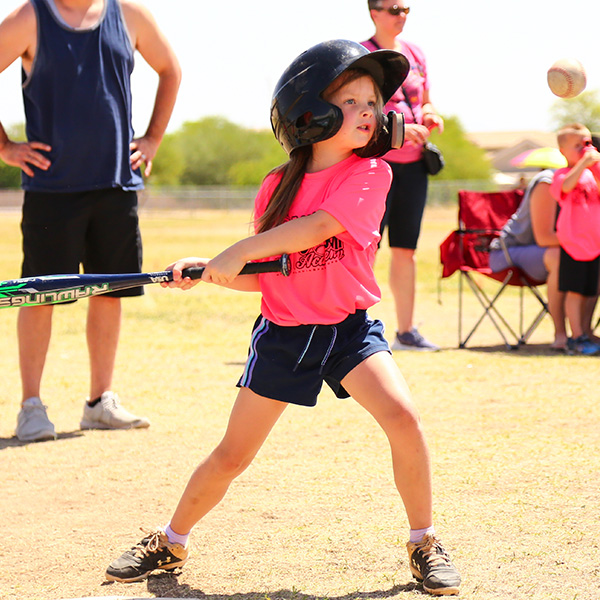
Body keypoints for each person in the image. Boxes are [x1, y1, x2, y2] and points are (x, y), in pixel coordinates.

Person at [104, 40, 461, 597]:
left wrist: (238, 249)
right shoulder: (277, 186)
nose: (370, 112)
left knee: (405, 420)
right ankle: (170, 541)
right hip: (286, 334)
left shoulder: (372, 175)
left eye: (373, 102)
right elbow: (268, 272)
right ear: (309, 111)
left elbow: (319, 229)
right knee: (231, 455)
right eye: (352, 101)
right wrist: (209, 272)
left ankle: (424, 541)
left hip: (348, 330)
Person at [0, 0, 182, 442]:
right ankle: (31, 407)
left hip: (116, 185)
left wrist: (154, 138)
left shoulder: (131, 15)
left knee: (109, 293)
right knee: (37, 296)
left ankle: (100, 402)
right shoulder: (30, 17)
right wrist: (4, 147)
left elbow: (171, 70)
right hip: (51, 189)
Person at [362, 0, 444, 351]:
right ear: (374, 12)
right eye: (394, 9)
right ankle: (355, 326)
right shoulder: (362, 54)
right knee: (367, 247)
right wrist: (398, 131)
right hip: (376, 164)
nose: (401, 16)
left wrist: (429, 114)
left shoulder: (415, 53)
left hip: (413, 166)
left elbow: (426, 99)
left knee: (405, 250)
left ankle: (406, 331)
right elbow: (357, 109)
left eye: (406, 9)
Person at [488, 169, 569, 349]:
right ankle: (561, 335)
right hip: (507, 252)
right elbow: (544, 238)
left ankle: (583, 333)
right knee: (561, 257)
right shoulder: (547, 182)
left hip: (540, 253)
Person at [550, 123, 600, 355]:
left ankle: (586, 332)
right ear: (562, 151)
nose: (584, 149)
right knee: (575, 292)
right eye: (577, 145)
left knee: (590, 291)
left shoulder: (592, 174)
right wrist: (582, 164)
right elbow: (566, 186)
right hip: (573, 243)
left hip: (594, 243)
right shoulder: (561, 174)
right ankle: (576, 336)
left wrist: (595, 165)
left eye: (587, 144)